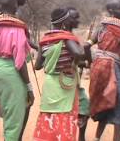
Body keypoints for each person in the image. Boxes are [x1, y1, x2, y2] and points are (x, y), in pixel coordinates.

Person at [84, 0, 120, 141]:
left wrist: (89, 63)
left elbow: (86, 46)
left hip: (97, 68)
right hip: (112, 69)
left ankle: (96, 138)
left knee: (104, 104)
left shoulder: (101, 27)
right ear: (112, 11)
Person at [0, 0, 34, 141]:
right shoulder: (18, 30)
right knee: (13, 121)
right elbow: (19, 63)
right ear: (15, 8)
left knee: (4, 111)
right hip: (12, 73)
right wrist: (29, 87)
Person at [33, 8, 84, 141]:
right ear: (64, 23)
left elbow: (37, 66)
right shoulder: (66, 38)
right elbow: (78, 54)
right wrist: (73, 65)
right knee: (65, 114)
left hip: (50, 84)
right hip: (65, 82)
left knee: (49, 115)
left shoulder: (44, 40)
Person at [67, 7, 90, 141]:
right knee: (84, 107)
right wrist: (85, 56)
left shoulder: (71, 37)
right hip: (67, 80)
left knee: (83, 108)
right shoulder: (67, 37)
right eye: (74, 17)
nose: (78, 20)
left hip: (72, 79)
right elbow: (79, 58)